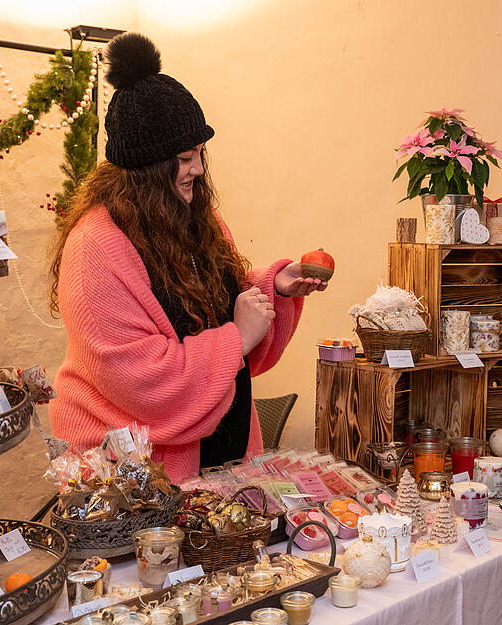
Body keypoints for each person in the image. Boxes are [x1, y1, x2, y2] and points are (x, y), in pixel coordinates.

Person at [48, 33, 326, 482]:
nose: (197, 169)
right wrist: (236, 338)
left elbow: (212, 304)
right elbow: (144, 382)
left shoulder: (195, 216)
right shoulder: (94, 250)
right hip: (131, 483)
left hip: (223, 464)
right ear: (147, 168)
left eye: (199, 154)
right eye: (184, 158)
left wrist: (271, 287)